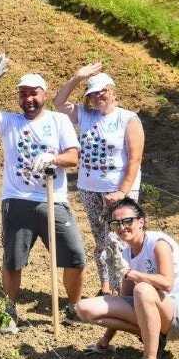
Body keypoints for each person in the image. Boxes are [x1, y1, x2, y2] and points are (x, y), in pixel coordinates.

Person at [0, 55, 86, 333]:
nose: (28, 99)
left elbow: (73, 157)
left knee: (74, 255)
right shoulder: (10, 122)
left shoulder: (59, 121)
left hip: (54, 199)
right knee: (13, 260)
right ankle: (9, 311)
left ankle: (74, 307)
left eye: (33, 94)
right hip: (18, 201)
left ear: (44, 94)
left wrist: (53, 158)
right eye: (23, 94)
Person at [75, 198, 179, 359]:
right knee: (84, 309)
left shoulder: (158, 242)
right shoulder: (126, 254)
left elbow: (166, 283)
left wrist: (129, 273)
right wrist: (105, 341)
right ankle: (153, 336)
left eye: (127, 221)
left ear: (141, 221)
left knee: (142, 289)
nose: (121, 227)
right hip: (155, 315)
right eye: (115, 223)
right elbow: (125, 300)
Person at [53, 63, 145, 295]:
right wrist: (76, 78)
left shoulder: (128, 118)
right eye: (92, 94)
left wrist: (122, 192)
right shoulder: (85, 115)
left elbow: (135, 159)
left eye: (101, 92)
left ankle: (124, 289)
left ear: (112, 91)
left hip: (118, 190)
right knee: (101, 240)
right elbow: (58, 104)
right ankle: (106, 288)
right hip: (89, 188)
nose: (97, 97)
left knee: (120, 240)